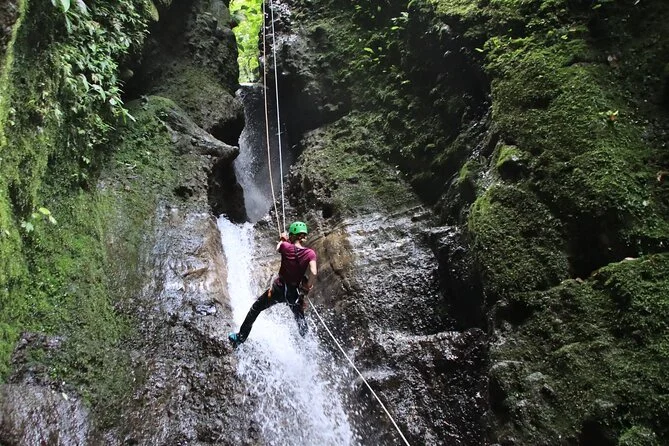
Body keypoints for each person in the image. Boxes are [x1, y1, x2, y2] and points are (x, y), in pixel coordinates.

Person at [228, 221, 318, 347]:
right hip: (294, 294)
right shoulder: (310, 253)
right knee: (300, 319)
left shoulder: (286, 246)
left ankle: (239, 338)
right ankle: (309, 345)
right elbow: (313, 272)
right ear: (303, 236)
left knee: (255, 309)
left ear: (292, 235)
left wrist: (282, 239)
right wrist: (308, 286)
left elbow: (278, 247)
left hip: (278, 290)